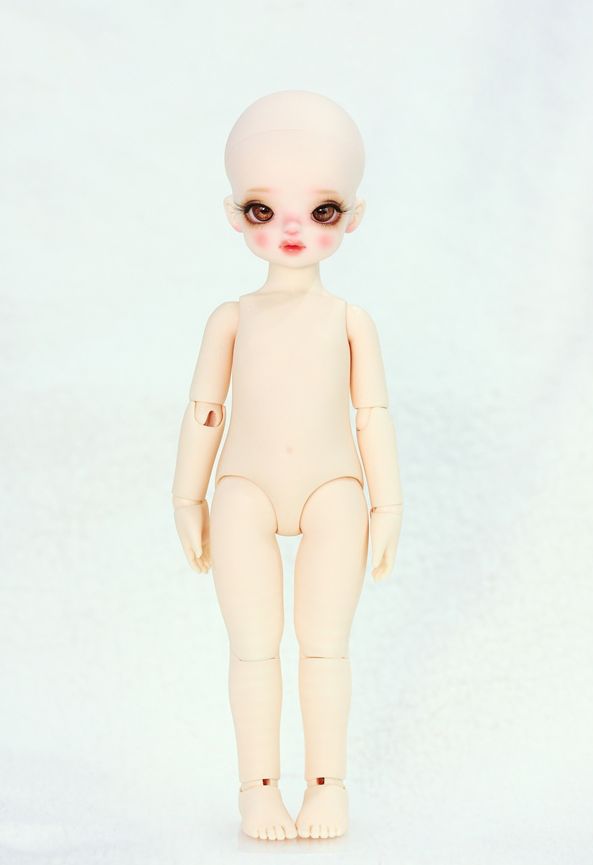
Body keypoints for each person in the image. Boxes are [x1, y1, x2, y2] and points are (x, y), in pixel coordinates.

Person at [172, 90, 404, 841]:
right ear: (235, 214)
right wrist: (186, 497)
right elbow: (205, 411)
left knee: (325, 646)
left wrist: (387, 505)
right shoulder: (231, 318)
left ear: (354, 216)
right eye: (264, 209)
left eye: (322, 209)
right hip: (242, 490)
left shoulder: (351, 320)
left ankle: (327, 788)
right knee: (252, 648)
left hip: (335, 491)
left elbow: (372, 416)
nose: (293, 228)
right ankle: (259, 791)